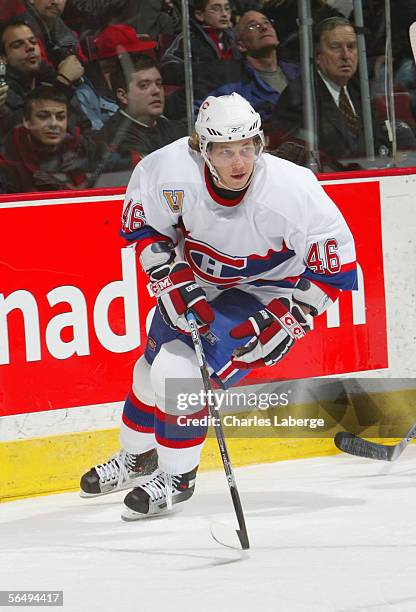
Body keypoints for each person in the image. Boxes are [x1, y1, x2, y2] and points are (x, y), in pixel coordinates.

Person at [80, 92, 357, 520]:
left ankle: (177, 479)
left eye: (246, 147)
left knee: (178, 372)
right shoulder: (167, 171)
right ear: (201, 148)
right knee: (148, 373)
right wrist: (166, 274)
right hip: (200, 283)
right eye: (224, 151)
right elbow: (145, 230)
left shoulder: (291, 189)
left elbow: (333, 268)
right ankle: (138, 460)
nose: (238, 163)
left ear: (259, 144)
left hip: (267, 292)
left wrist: (294, 318)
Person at [269, 17, 390, 169]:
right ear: (318, 55)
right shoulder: (298, 96)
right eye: (336, 47)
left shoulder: (360, 90)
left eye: (351, 47)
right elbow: (294, 158)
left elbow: (379, 142)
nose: (346, 55)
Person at [1, 85, 127, 191]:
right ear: (27, 121)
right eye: (43, 116)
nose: (54, 124)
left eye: (60, 117)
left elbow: (120, 162)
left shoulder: (80, 146)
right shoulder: (8, 159)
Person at [200, 10, 299, 122]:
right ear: (241, 45)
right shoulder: (231, 84)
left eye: (266, 22)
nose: (263, 27)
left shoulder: (299, 72)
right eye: (252, 26)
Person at [0, 18, 89, 140]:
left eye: (33, 41)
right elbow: (25, 132)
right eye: (17, 45)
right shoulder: (3, 92)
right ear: (3, 58)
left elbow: (84, 127)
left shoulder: (50, 79)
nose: (30, 47)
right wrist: (63, 83)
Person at [93, 53, 187, 165]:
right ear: (123, 96)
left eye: (159, 83)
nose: (156, 90)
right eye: (144, 85)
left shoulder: (168, 126)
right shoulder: (116, 139)